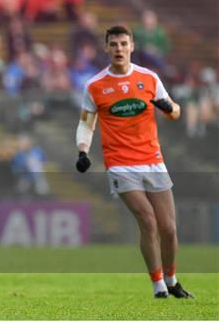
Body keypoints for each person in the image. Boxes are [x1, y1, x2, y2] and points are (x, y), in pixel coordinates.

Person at [75, 25, 193, 299]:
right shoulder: (95, 86)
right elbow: (86, 124)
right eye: (113, 44)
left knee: (168, 228)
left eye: (123, 44)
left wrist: (170, 109)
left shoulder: (149, 78)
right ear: (106, 48)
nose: (118, 49)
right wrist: (82, 151)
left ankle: (172, 280)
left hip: (153, 160)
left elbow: (175, 111)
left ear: (132, 47)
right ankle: (158, 285)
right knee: (148, 221)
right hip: (119, 164)